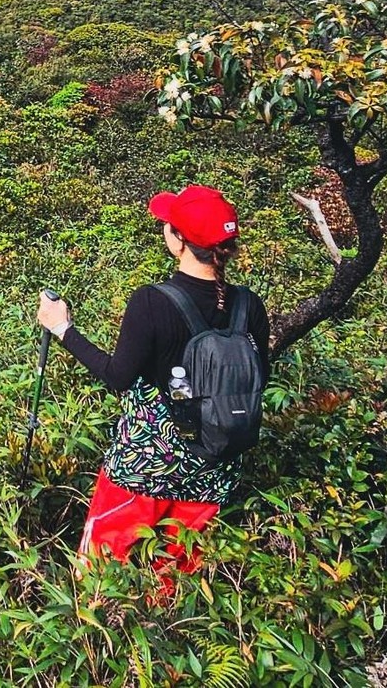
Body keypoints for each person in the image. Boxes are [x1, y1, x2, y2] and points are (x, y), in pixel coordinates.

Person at [35, 183, 268, 584]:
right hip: (213, 471)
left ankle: (99, 643)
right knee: (176, 582)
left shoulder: (152, 301)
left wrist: (62, 329)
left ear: (178, 241)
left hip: (145, 466)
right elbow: (258, 377)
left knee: (104, 577)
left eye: (168, 225)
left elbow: (118, 376)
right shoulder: (249, 305)